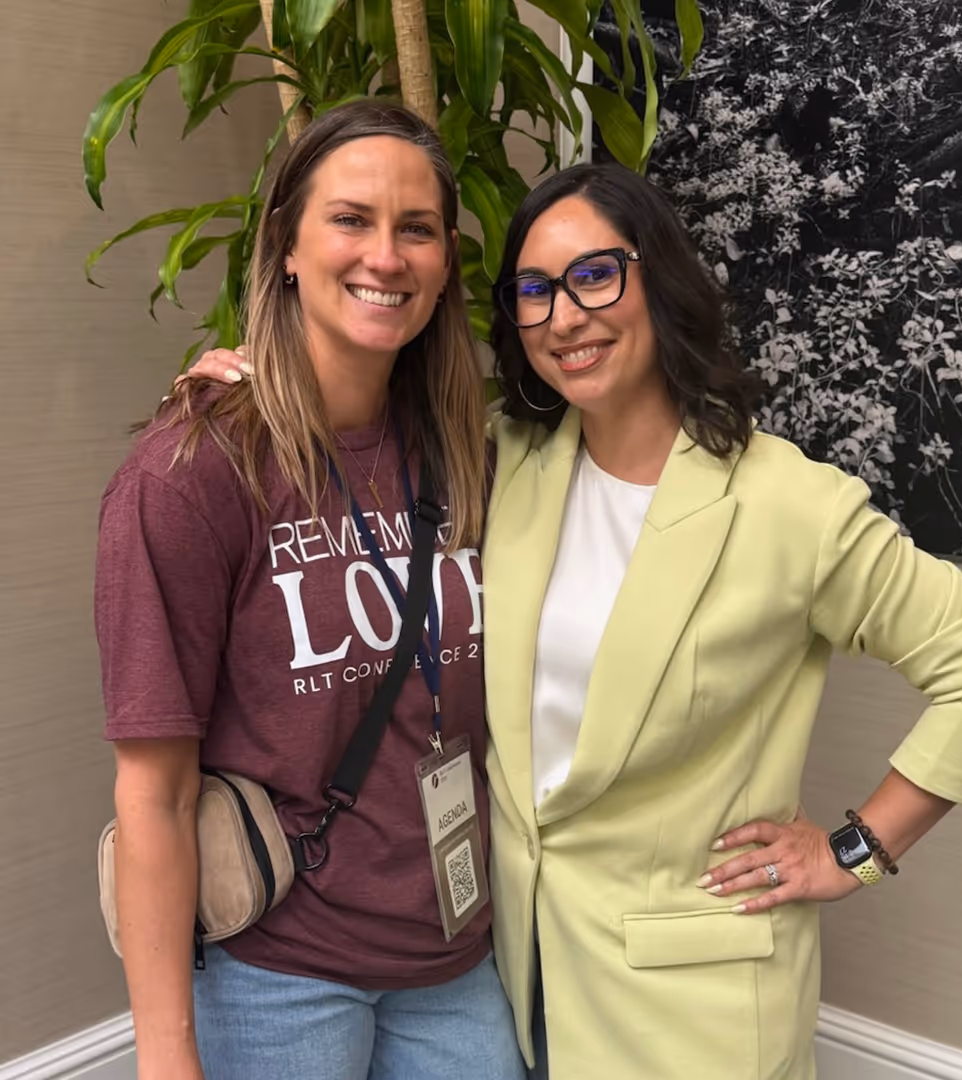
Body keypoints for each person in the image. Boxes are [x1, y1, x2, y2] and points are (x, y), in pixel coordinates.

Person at [189, 163, 962, 1080]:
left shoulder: (787, 504)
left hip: (696, 1005)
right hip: (523, 974)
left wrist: (855, 851)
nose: (564, 315)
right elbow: (354, 418)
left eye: (595, 274)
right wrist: (246, 382)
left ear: (658, 277)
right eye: (533, 290)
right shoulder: (505, 463)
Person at [95, 101, 525, 1080]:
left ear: (446, 260)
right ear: (286, 243)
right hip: (275, 972)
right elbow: (153, 795)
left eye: (417, 228)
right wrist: (167, 1062)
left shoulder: (471, 455)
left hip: (451, 950)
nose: (387, 255)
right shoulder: (194, 473)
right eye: (351, 219)